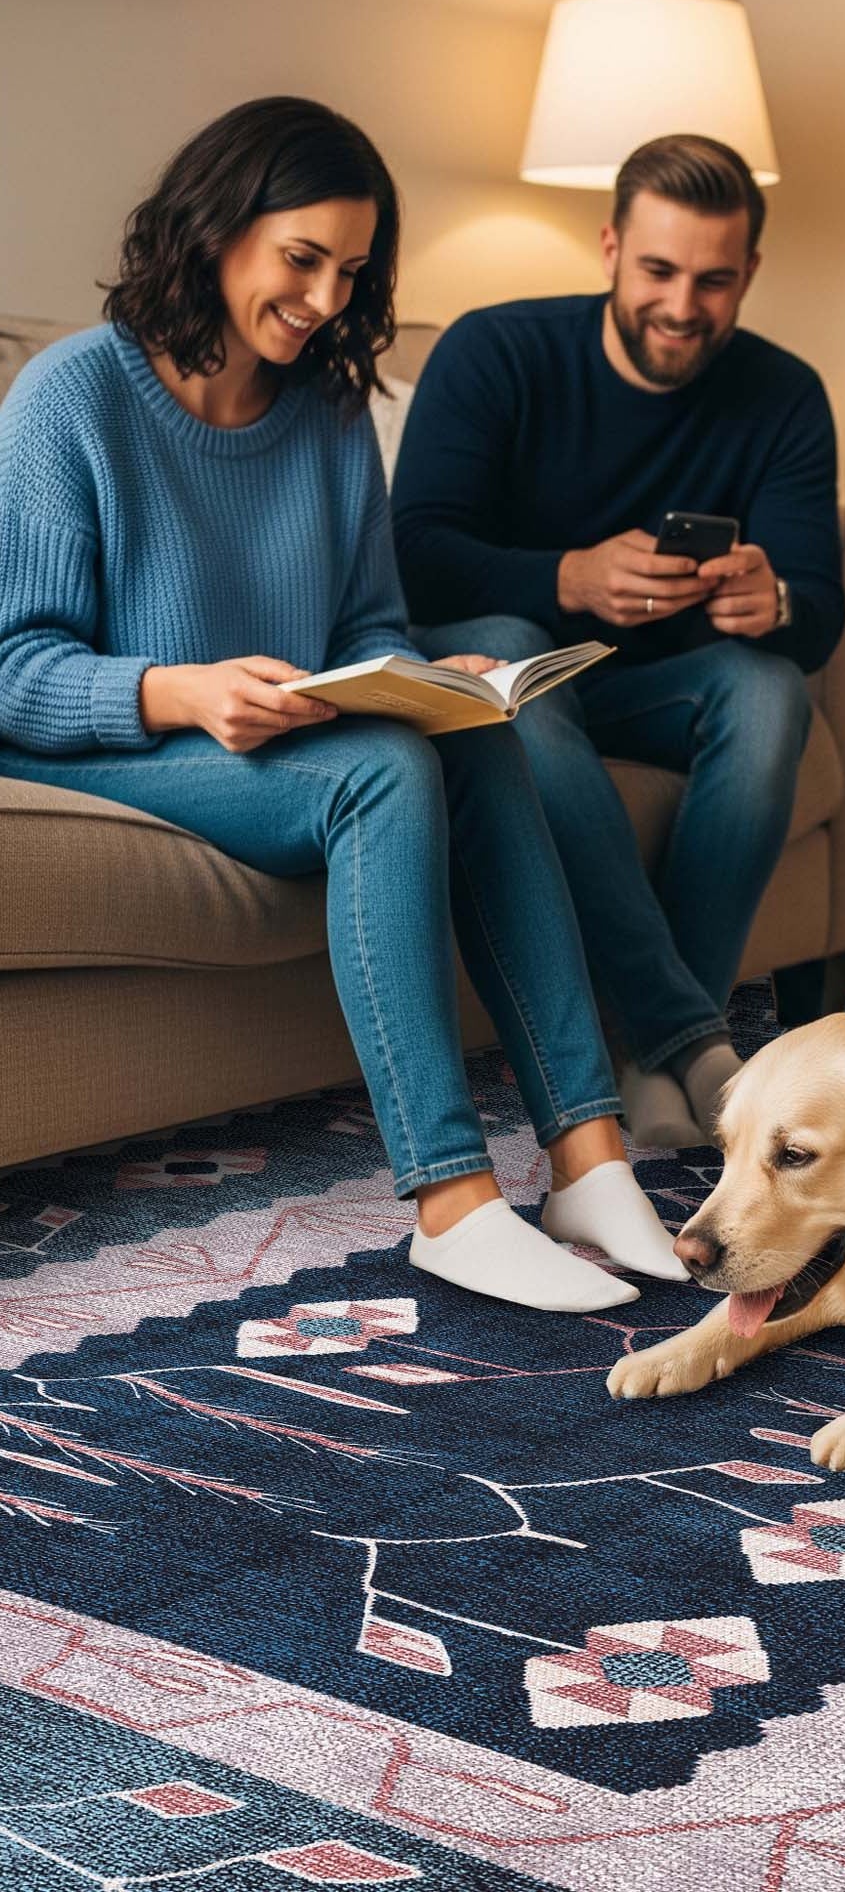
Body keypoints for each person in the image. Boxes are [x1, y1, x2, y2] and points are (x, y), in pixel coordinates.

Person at [0, 97, 689, 1313]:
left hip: (276, 736)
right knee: (384, 773)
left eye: (352, 271)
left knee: (468, 738)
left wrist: (420, 679)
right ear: (216, 229)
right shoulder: (71, 399)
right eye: (302, 258)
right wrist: (177, 689)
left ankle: (588, 1157)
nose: (324, 299)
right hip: (107, 741)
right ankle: (451, 1201)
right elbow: (14, 666)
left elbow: (367, 621)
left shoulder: (325, 407)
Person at [391, 134, 845, 1148]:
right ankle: (689, 1039)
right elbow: (412, 554)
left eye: (714, 281)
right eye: (658, 271)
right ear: (608, 249)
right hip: (505, 666)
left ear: (749, 272)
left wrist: (774, 600)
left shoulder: (783, 394)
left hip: (650, 688)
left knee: (769, 687)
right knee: (514, 645)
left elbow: (820, 607)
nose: (682, 306)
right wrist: (568, 575)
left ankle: (649, 1053)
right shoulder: (495, 351)